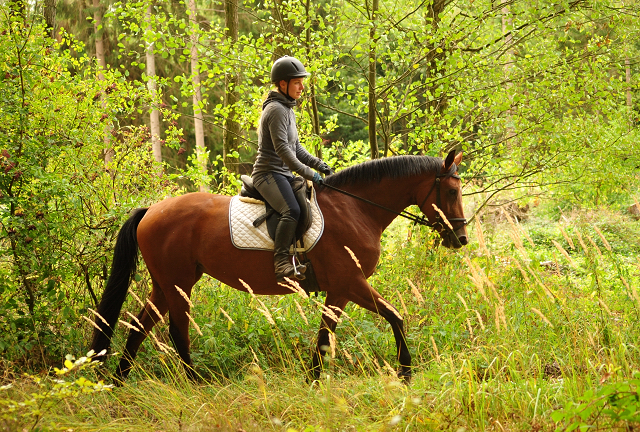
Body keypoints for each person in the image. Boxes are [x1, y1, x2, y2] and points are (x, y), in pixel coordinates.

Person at [251, 56, 332, 282]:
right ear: (283, 84)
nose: (302, 87)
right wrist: (310, 174)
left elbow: (296, 147)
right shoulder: (276, 109)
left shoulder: (287, 109)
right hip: (267, 173)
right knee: (291, 211)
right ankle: (281, 264)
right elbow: (284, 152)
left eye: (302, 82)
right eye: (297, 82)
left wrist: (319, 164)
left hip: (282, 174)